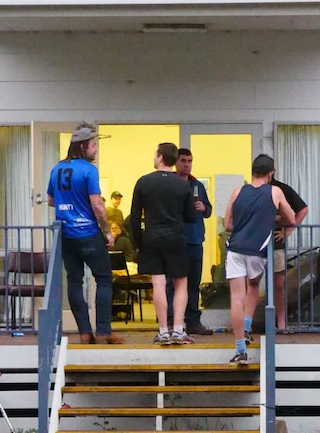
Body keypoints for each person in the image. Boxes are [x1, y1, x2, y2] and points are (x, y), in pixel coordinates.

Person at [46, 123, 123, 345]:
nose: (96, 149)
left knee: (74, 281)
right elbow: (98, 205)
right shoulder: (89, 170)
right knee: (104, 279)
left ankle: (84, 333)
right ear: (82, 147)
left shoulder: (57, 168)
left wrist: (68, 205)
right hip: (88, 232)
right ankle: (103, 331)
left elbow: (51, 199)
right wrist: (107, 232)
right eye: (93, 145)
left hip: (65, 235)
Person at [224, 154, 295, 364]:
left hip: (236, 248)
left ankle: (240, 350)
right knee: (253, 285)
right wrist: (272, 217)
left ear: (252, 171)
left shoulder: (238, 191)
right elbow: (291, 218)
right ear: (270, 173)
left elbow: (228, 224)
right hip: (258, 250)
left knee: (236, 297)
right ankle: (246, 328)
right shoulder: (275, 191)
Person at [130, 142, 197, 346]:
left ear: (160, 157)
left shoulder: (143, 182)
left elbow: (134, 217)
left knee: (158, 284)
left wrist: (138, 242)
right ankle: (178, 329)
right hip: (176, 238)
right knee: (181, 284)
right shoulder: (182, 185)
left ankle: (162, 330)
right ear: (174, 160)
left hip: (152, 237)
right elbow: (191, 216)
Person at [166, 148, 215, 335]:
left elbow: (209, 210)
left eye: (190, 161)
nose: (187, 164)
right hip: (175, 239)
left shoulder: (197, 186)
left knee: (193, 282)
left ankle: (193, 321)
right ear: (175, 162)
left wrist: (203, 207)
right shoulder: (169, 184)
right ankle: (171, 322)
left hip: (194, 239)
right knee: (173, 282)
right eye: (183, 160)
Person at [269, 178, 308, 330]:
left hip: (276, 242)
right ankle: (247, 324)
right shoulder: (252, 190)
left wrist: (289, 229)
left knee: (279, 284)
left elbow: (302, 210)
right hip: (256, 243)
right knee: (252, 283)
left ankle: (281, 322)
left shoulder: (282, 189)